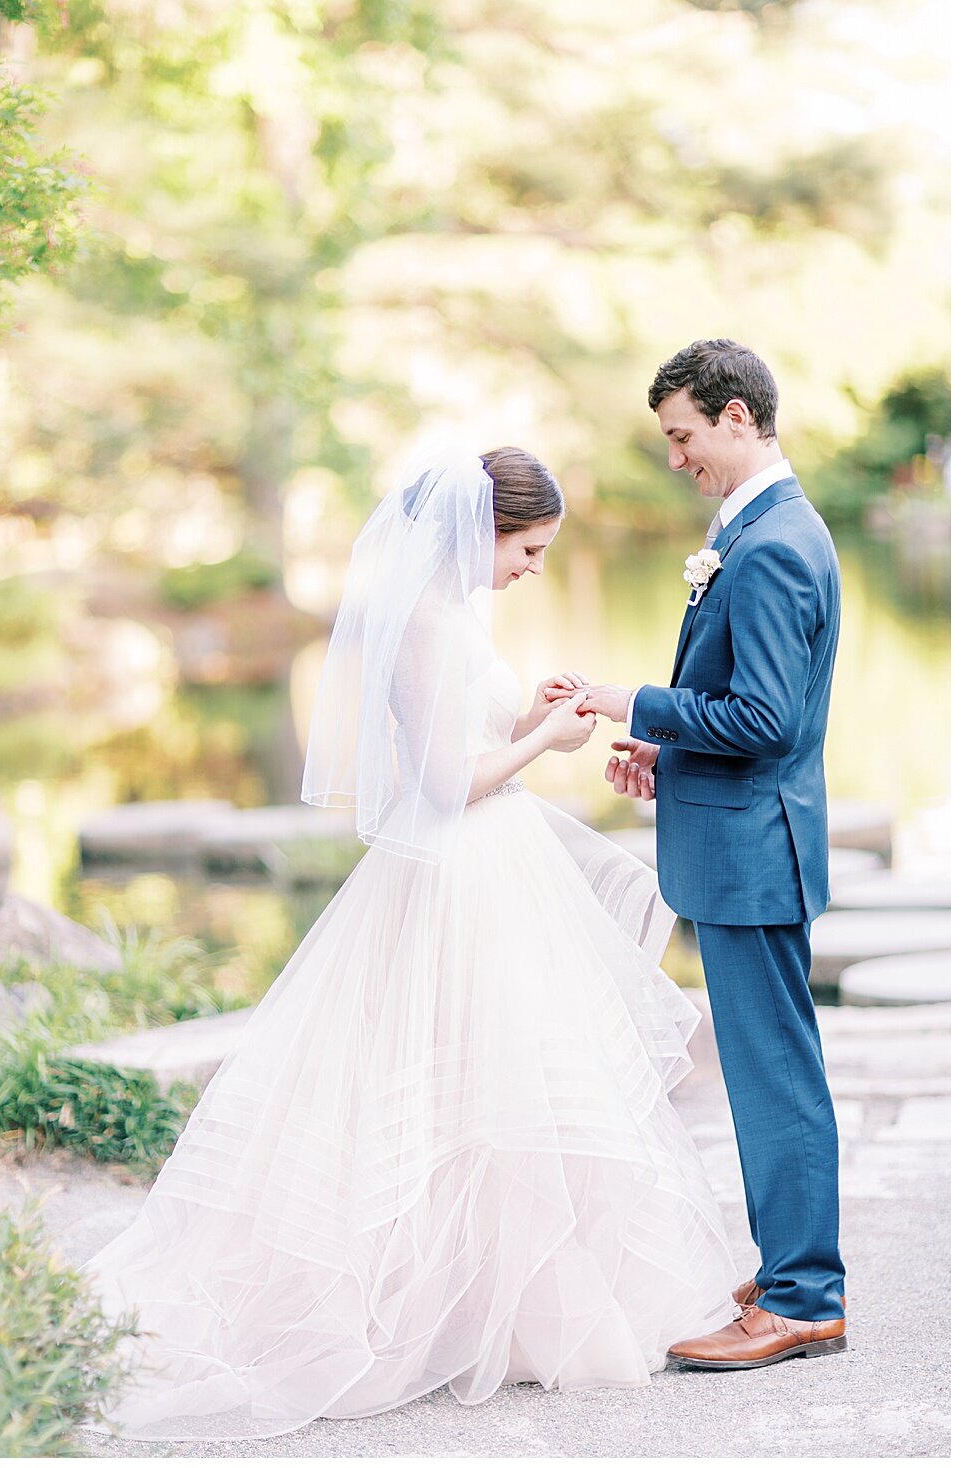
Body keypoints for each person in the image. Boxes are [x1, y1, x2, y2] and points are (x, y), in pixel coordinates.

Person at [79, 443, 735, 1443]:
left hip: (493, 871)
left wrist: (528, 714)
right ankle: (428, 1308)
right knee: (447, 1087)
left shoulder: (453, 614)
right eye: (530, 548)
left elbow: (470, 749)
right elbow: (442, 786)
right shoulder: (421, 624)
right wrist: (547, 744)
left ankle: (498, 1311)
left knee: (506, 1089)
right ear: (484, 529)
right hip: (456, 877)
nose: (533, 568)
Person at [562, 339, 848, 1370]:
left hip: (752, 854)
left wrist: (624, 699)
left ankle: (804, 1294)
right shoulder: (764, 527)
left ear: (736, 418)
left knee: (774, 1075)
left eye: (682, 434)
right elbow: (741, 711)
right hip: (743, 838)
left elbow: (767, 717)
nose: (674, 456)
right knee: (776, 1067)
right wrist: (667, 746)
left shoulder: (771, 543)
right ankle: (791, 1271)